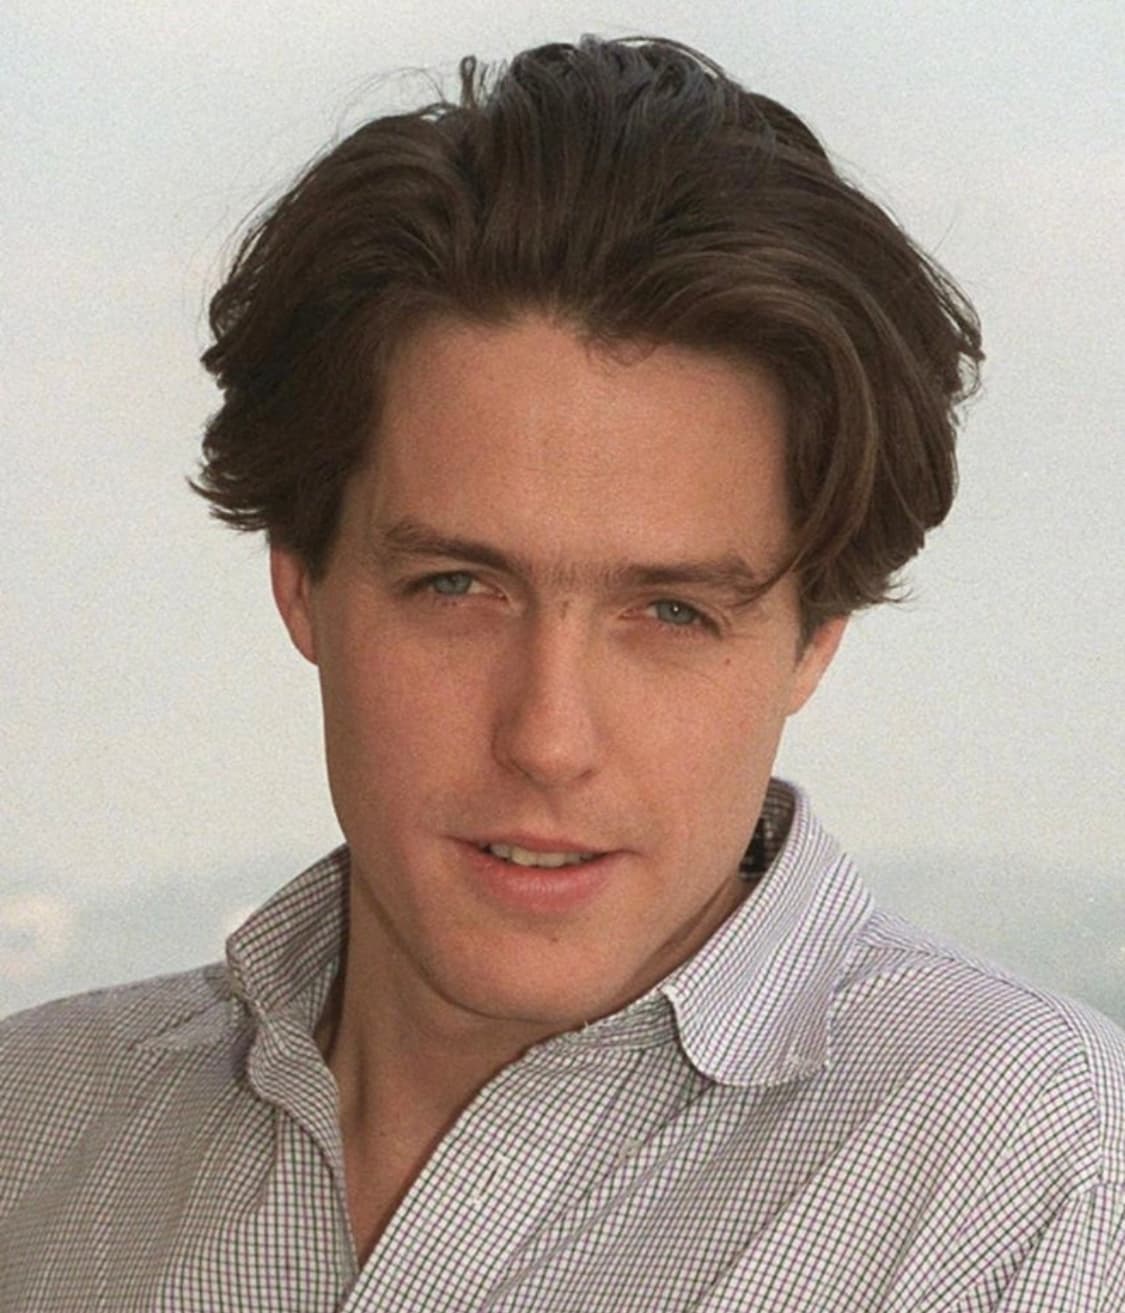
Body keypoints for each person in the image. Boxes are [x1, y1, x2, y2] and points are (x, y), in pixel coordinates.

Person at [2, 34, 1122, 1311]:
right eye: (457, 587)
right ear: (301, 578)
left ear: (816, 636)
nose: (547, 735)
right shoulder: (31, 1134)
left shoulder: (1044, 1189)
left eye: (671, 611)